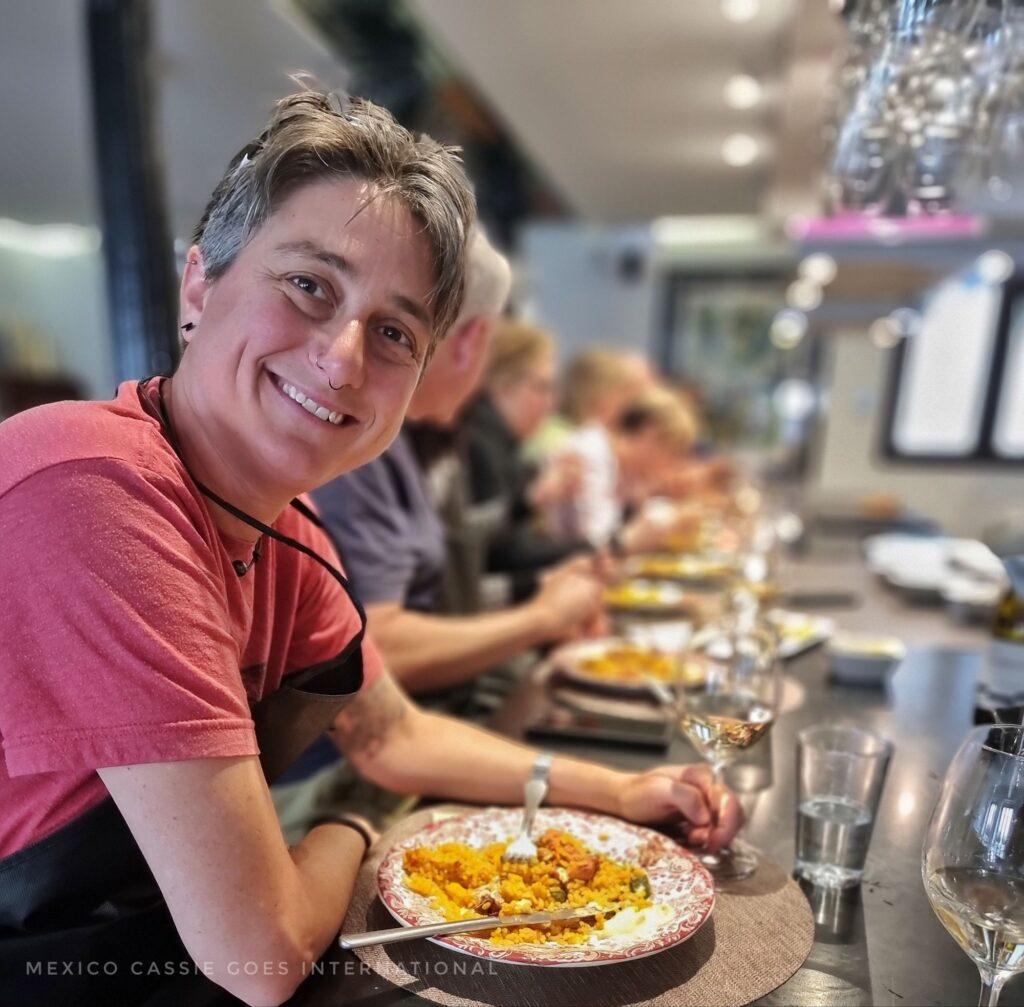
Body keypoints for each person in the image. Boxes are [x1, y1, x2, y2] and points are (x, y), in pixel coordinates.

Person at [0, 87, 741, 1007]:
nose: (345, 358)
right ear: (200, 286)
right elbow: (262, 953)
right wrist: (354, 826)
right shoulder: (93, 486)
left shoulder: (289, 530)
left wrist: (620, 793)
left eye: (394, 332)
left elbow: (391, 732)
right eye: (309, 286)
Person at [313, 239, 606, 695]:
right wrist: (541, 616)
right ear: (473, 342)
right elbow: (375, 650)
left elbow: (453, 591)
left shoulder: (424, 437)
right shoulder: (362, 441)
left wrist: (535, 591)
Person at [462, 320, 590, 600]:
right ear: (502, 384)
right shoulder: (479, 443)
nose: (550, 404)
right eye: (542, 387)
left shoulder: (499, 441)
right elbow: (497, 554)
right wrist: (591, 551)